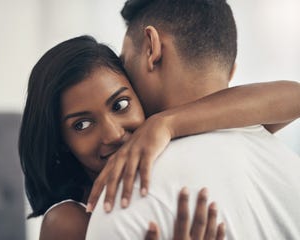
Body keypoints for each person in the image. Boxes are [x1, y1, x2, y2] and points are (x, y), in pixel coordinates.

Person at [85, 0, 300, 239]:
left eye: (125, 63)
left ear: (151, 48)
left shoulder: (125, 199)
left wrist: (165, 122)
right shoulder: (289, 167)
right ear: (230, 72)